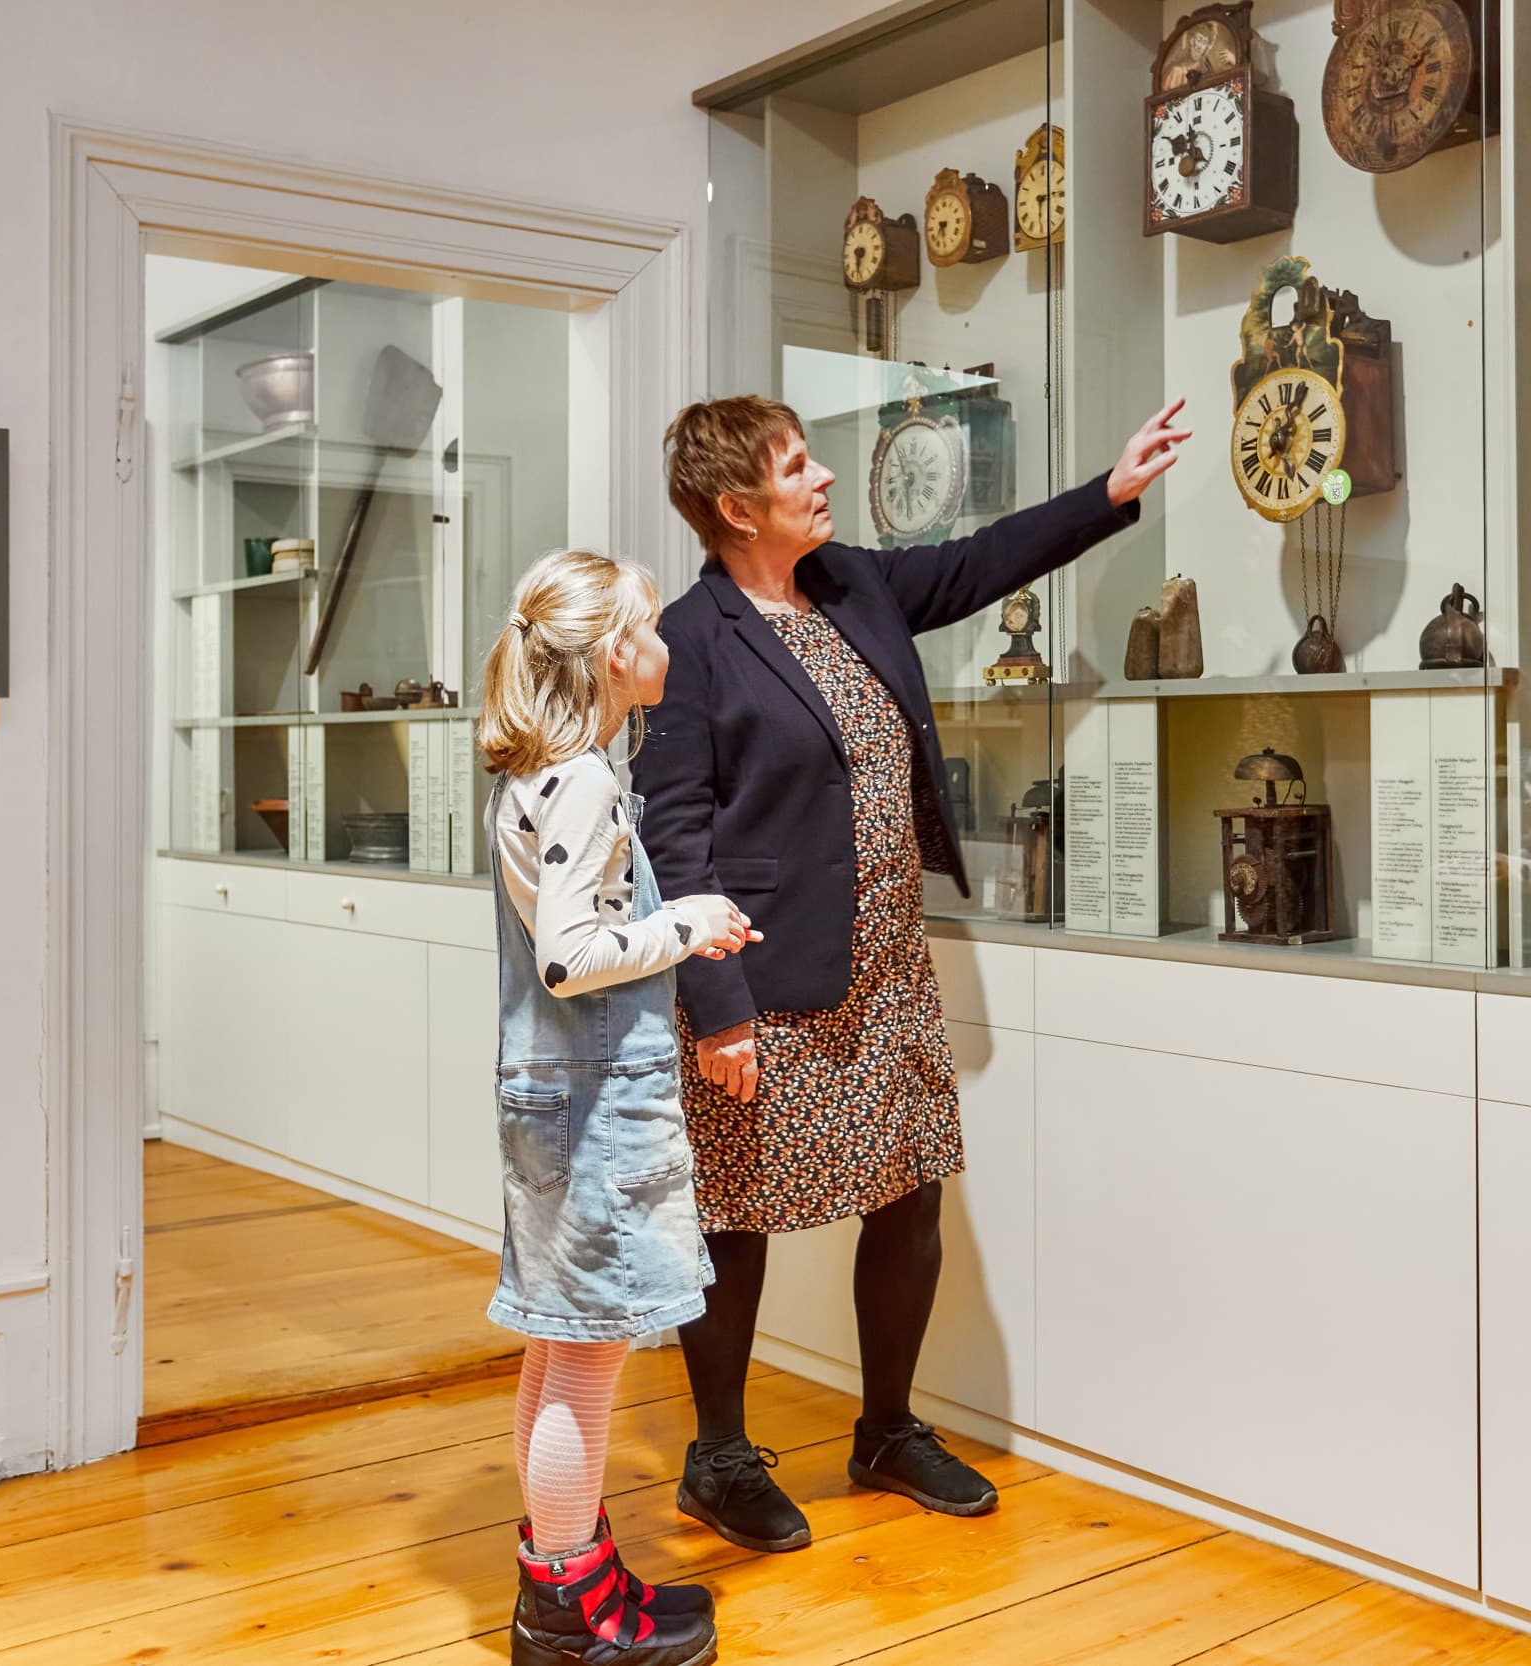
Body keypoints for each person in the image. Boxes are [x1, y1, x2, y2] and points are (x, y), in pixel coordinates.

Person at [634, 394, 1189, 1552]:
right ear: (737, 507)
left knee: (908, 1188)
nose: (823, 477)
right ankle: (718, 1458)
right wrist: (715, 1007)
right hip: (766, 975)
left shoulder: (849, 584)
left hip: (889, 963)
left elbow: (978, 562)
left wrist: (1111, 490)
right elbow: (674, 840)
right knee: (735, 1209)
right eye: (797, 466)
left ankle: (884, 1431)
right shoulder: (692, 639)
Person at [478, 548, 762, 1666]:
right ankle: (568, 1614)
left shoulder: (546, 772)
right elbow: (570, 958)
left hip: (549, 1097)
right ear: (610, 656)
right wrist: (692, 922)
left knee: (558, 1346)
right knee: (590, 1356)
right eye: (647, 629)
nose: (664, 644)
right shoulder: (586, 781)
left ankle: (570, 1583)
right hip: (597, 1108)